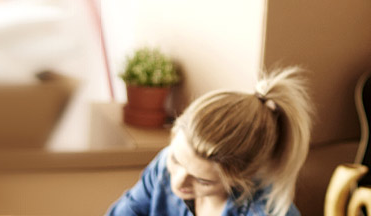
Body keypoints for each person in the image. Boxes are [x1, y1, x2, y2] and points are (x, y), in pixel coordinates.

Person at [107, 68, 313, 216]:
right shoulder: (163, 168)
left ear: (241, 178)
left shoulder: (264, 212)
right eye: (176, 160)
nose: (177, 182)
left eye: (203, 181)